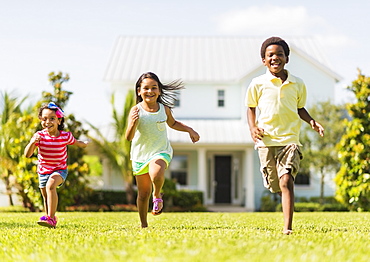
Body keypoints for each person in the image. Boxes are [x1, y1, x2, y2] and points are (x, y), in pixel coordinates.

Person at [246, 37, 324, 235]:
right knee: (274, 184)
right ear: (263, 60)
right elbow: (251, 108)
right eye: (270, 55)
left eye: (279, 54)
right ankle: (279, 190)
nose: (275, 58)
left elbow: (300, 108)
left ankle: (287, 228)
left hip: (290, 139)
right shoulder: (258, 83)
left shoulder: (298, 83)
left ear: (287, 58)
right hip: (266, 140)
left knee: (286, 180)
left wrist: (312, 122)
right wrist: (253, 127)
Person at [125, 72, 200, 228]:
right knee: (143, 194)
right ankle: (144, 224)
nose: (150, 91)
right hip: (140, 155)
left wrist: (189, 130)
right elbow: (129, 137)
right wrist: (132, 123)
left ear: (159, 91)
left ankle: (157, 194)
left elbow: (172, 123)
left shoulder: (163, 109)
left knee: (156, 172)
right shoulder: (136, 110)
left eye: (154, 88)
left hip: (160, 150)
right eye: (146, 88)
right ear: (139, 91)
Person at [24, 102, 88, 228]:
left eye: (52, 118)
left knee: (51, 186)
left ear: (59, 121)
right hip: (43, 170)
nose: (48, 122)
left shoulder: (65, 136)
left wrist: (85, 143)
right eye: (44, 119)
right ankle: (50, 217)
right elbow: (27, 154)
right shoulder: (39, 136)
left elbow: (76, 142)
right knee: (45, 195)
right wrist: (32, 142)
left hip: (60, 170)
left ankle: (51, 218)